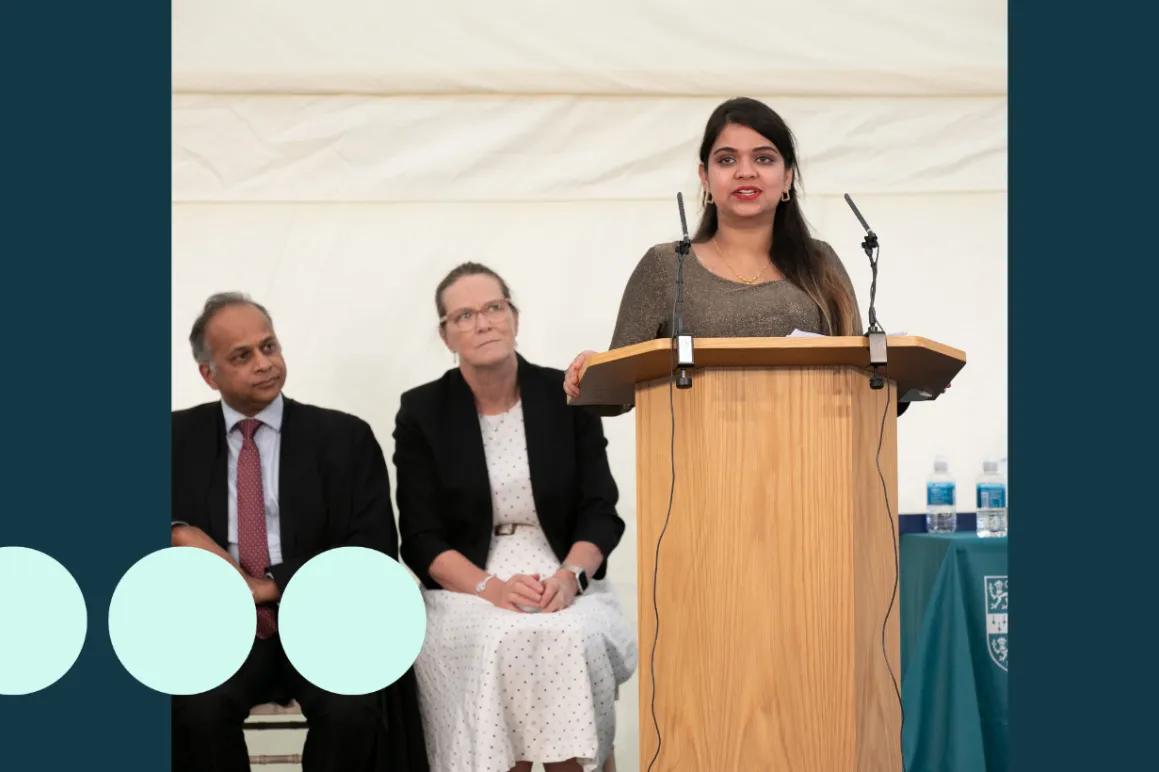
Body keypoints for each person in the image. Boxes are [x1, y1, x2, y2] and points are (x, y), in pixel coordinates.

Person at [170, 292, 428, 772]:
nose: (264, 364)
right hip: (218, 627)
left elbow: (373, 550)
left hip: (324, 620)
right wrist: (180, 532)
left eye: (269, 347)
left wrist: (270, 586)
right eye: (242, 356)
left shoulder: (345, 437)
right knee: (193, 708)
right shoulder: (172, 438)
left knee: (353, 708)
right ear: (209, 375)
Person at [394, 264, 636, 772]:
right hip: (468, 583)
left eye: (493, 307)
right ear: (446, 335)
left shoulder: (567, 394)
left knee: (567, 635)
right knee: (502, 637)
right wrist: (491, 589)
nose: (482, 323)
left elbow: (600, 511)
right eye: (464, 315)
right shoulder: (422, 411)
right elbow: (420, 537)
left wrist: (570, 579)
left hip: (562, 566)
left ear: (514, 317)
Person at [563, 96, 864, 400]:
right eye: (726, 160)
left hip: (811, 444)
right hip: (695, 447)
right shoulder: (668, 266)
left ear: (787, 177)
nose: (745, 172)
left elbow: (863, 377)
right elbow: (613, 397)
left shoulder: (820, 262)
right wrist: (593, 369)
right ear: (704, 177)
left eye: (763, 159)